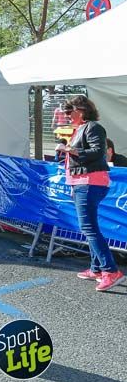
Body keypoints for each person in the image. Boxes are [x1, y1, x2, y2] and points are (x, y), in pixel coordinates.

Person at [56, 97, 124, 291]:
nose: (67, 116)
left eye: (70, 112)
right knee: (90, 227)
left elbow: (96, 152)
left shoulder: (93, 127)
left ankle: (110, 271)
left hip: (89, 183)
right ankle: (97, 268)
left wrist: (68, 148)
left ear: (82, 110)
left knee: (89, 228)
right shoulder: (83, 128)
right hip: (83, 183)